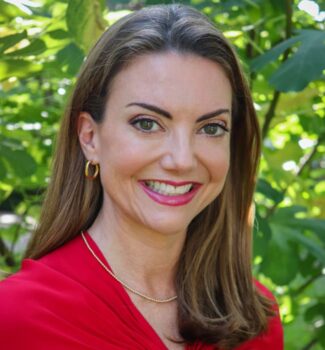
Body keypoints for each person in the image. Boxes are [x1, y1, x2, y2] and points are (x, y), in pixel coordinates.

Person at [0, 4, 283, 350]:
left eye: (210, 128)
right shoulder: (16, 319)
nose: (181, 159)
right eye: (147, 123)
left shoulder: (254, 318)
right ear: (90, 137)